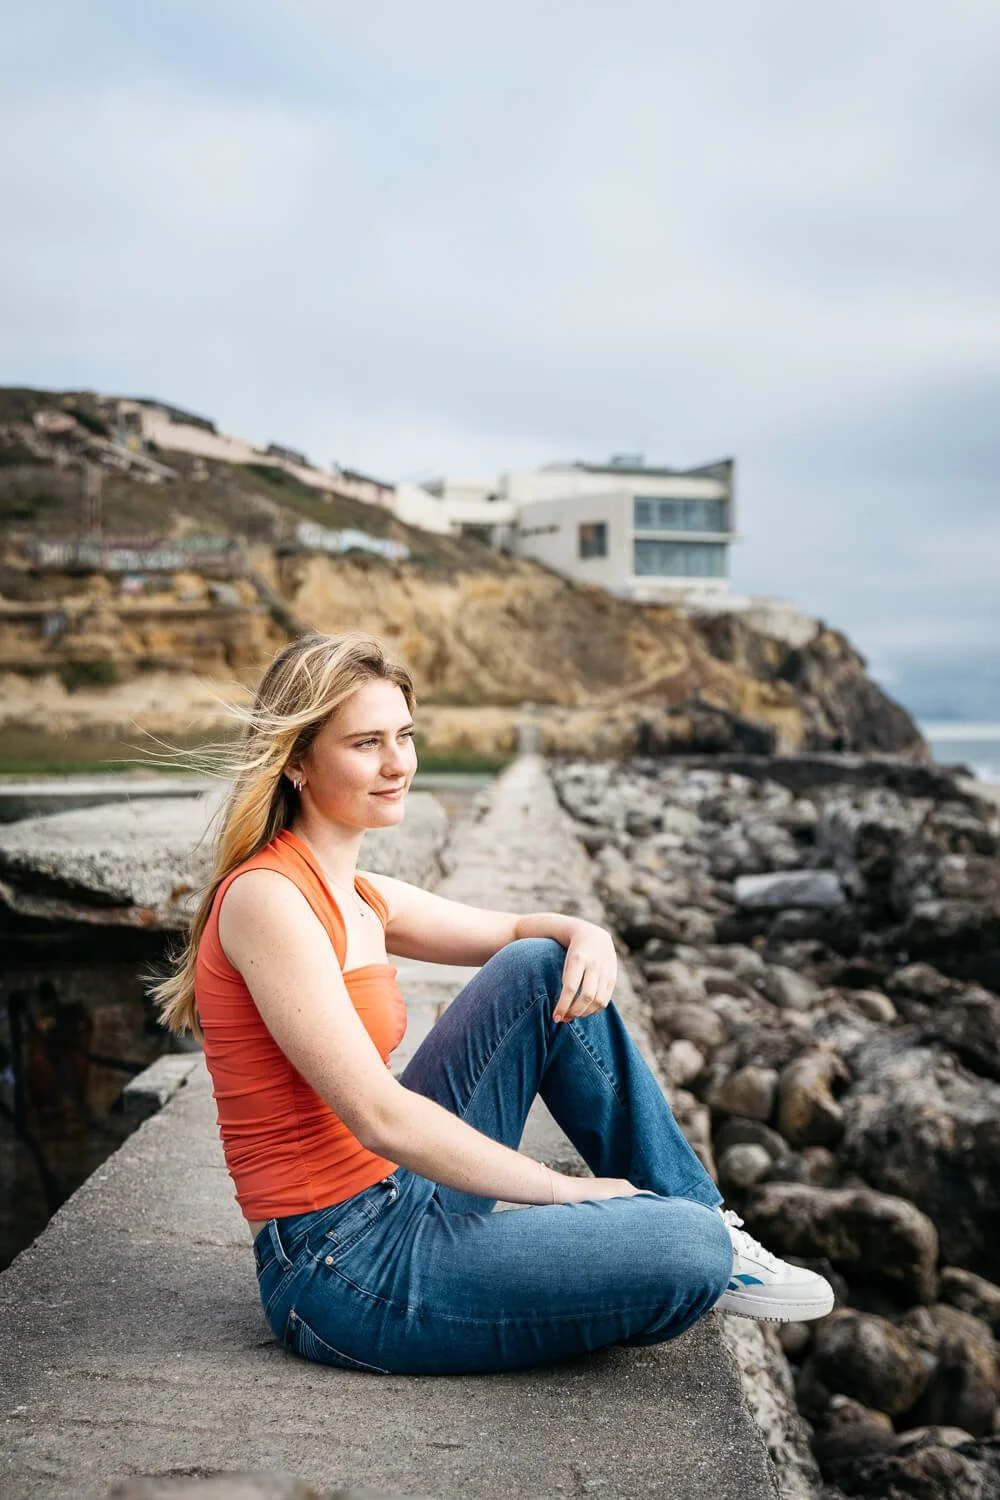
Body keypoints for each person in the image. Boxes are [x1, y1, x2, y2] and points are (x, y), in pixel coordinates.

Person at [153, 631, 834, 1376]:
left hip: (397, 1195)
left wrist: (587, 930)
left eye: (405, 736)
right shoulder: (268, 898)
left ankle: (709, 1221)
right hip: (339, 1267)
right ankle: (695, 1238)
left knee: (543, 968)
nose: (398, 764)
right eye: (367, 743)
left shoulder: (359, 890)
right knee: (684, 1253)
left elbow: (513, 932)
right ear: (295, 760)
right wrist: (564, 1194)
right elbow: (378, 1115)